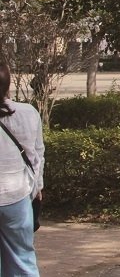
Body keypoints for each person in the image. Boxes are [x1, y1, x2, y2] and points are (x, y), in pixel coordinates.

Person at [0, 62, 44, 276]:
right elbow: (37, 154)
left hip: (16, 194)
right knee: (22, 259)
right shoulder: (28, 112)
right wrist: (37, 186)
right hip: (18, 196)